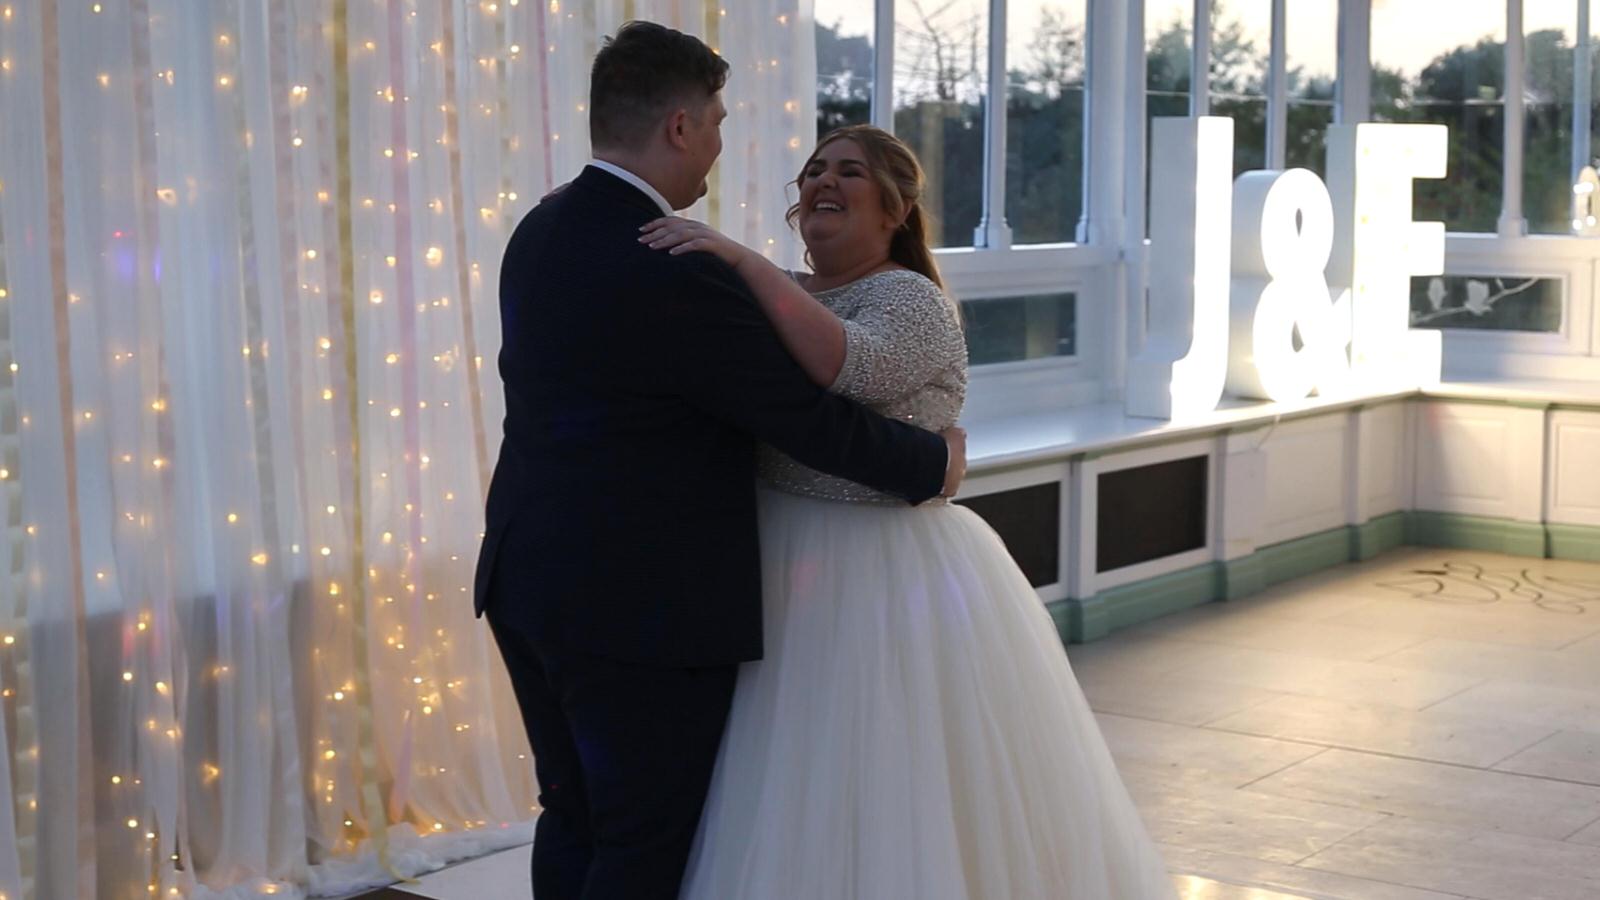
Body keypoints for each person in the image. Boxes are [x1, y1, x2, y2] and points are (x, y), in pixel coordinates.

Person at [473, 24, 968, 900]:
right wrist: (929, 463)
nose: (720, 141)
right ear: (678, 127)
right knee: (642, 838)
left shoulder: (540, 229)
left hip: (527, 577)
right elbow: (800, 419)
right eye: (717, 120)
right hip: (639, 604)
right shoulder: (673, 263)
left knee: (575, 814)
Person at [641, 125, 1180, 899]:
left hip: (885, 570)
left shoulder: (909, 296)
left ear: (895, 207)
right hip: (777, 552)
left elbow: (848, 365)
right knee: (791, 774)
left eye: (850, 172)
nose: (824, 181)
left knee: (886, 769)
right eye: (815, 170)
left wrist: (740, 259)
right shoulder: (785, 289)